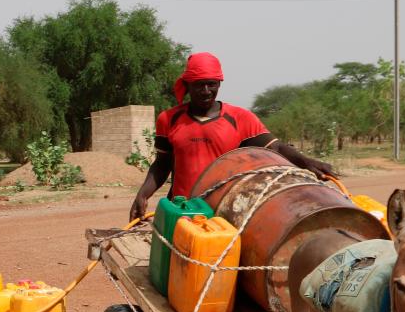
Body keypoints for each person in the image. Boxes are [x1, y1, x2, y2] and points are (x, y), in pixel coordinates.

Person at [130, 52, 336, 221]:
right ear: (188, 84)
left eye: (211, 84)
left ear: (219, 83)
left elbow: (276, 148)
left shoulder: (240, 118)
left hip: (224, 212)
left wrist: (307, 162)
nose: (206, 90)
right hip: (181, 210)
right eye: (199, 84)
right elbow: (162, 164)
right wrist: (142, 194)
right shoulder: (169, 119)